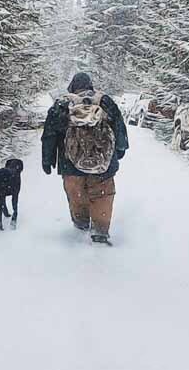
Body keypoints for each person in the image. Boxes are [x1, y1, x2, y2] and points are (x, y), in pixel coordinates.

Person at [41, 73, 129, 243]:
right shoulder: (105, 101)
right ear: (91, 85)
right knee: (103, 194)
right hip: (103, 162)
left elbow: (50, 134)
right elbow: (119, 126)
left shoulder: (62, 104)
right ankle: (100, 230)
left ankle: (81, 223)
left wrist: (48, 159)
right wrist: (120, 149)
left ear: (72, 86)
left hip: (70, 163)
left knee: (76, 195)